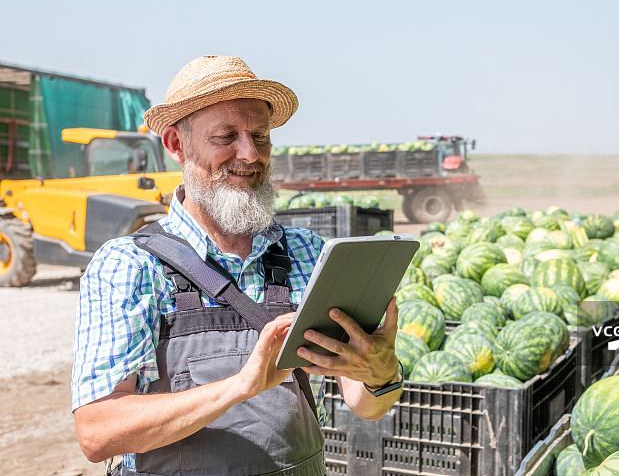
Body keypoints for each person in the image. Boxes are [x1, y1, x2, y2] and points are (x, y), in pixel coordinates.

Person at [71, 56, 404, 476]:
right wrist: (238, 387)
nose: (249, 154)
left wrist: (382, 372)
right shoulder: (131, 265)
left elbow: (365, 403)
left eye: (260, 136)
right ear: (176, 145)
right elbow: (98, 433)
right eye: (226, 136)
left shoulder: (307, 253)